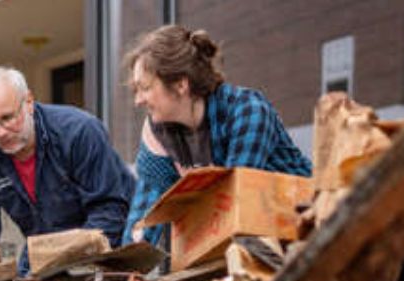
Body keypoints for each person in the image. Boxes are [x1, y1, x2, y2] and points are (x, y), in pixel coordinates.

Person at [124, 25, 311, 247]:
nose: (138, 100)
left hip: (305, 233)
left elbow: (233, 201)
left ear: (181, 84)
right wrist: (124, 270)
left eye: (144, 88)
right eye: (135, 90)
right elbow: (143, 219)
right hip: (242, 246)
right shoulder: (158, 134)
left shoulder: (246, 110)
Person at [0, 66, 135, 274]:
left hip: (114, 245)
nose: (0, 132)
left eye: (7, 118)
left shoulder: (79, 131)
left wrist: (64, 260)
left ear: (29, 103)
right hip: (44, 249)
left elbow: (109, 212)